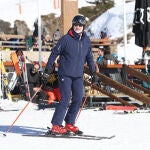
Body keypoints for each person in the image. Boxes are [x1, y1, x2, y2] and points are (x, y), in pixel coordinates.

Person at [41, 15, 97, 135]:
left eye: (80, 25)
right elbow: (54, 54)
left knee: (78, 98)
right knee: (65, 99)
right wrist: (47, 71)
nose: (78, 27)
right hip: (65, 74)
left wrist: (93, 72)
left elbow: (90, 58)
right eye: (76, 25)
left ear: (83, 27)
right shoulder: (65, 39)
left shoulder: (86, 41)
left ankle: (69, 123)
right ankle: (56, 125)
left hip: (78, 75)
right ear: (73, 25)